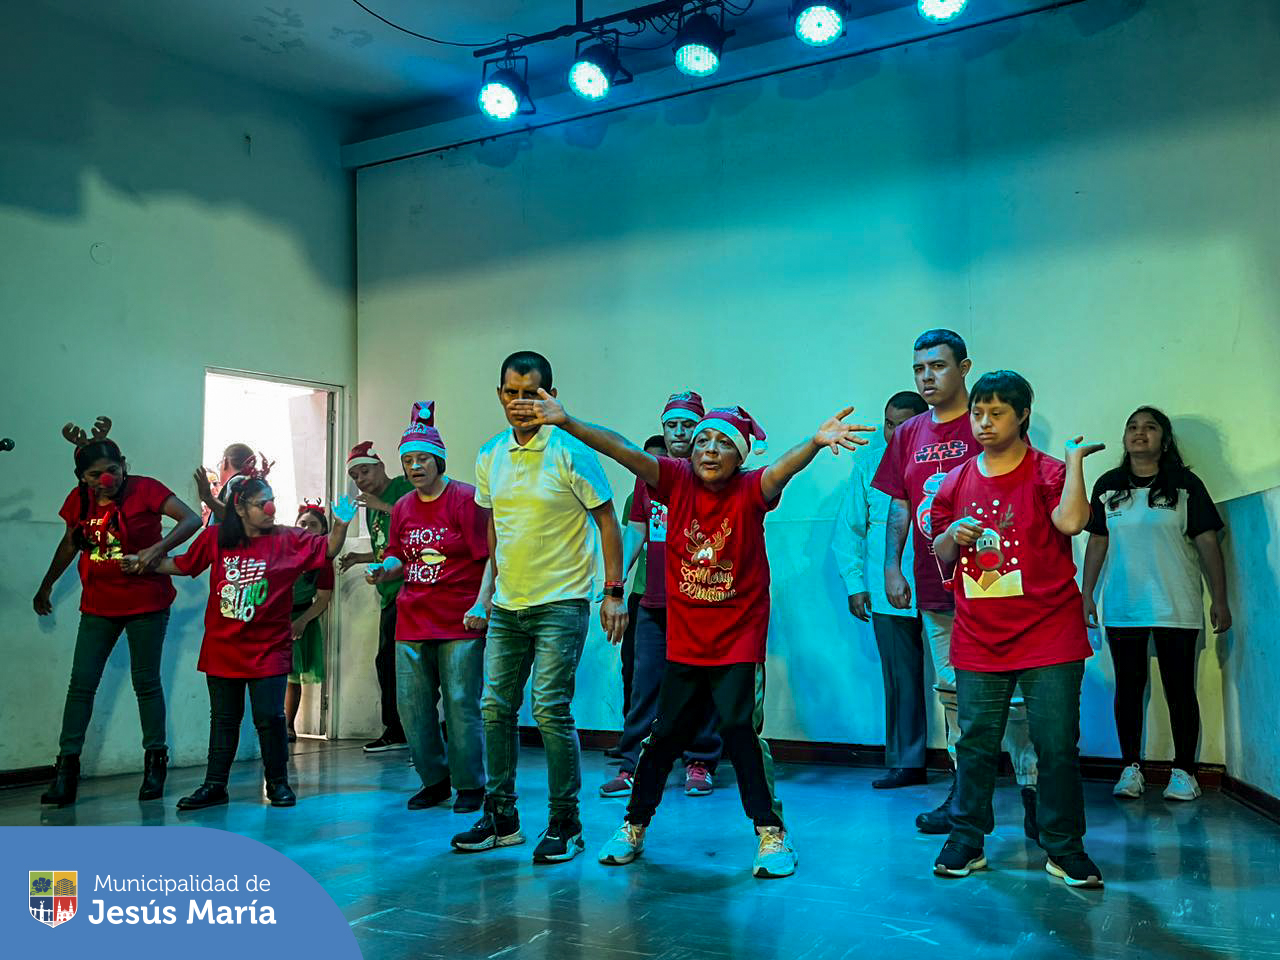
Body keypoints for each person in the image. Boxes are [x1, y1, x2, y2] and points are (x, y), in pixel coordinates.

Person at [508, 390, 873, 878]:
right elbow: (622, 449)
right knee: (662, 739)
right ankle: (634, 826)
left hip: (737, 640)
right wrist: (569, 421)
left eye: (723, 444)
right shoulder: (674, 480)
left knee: (740, 734)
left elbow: (781, 470)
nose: (708, 450)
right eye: (703, 440)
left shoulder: (748, 491)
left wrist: (813, 441)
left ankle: (771, 833)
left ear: (738, 456)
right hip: (686, 640)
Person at [929, 370, 1105, 888]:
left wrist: (1073, 464)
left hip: (1050, 633)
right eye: (978, 413)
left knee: (1055, 745)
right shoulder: (958, 479)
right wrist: (950, 536)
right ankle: (966, 840)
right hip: (980, 634)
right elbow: (940, 550)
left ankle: (1064, 847)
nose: (983, 423)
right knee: (976, 742)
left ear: (1022, 414)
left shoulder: (1048, 471)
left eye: (996, 413)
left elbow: (1072, 523)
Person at [450, 351, 627, 865]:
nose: (522, 403)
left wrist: (612, 592)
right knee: (494, 708)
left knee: (550, 710)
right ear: (499, 393)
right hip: (508, 606)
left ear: (549, 393)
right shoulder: (490, 455)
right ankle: (501, 817)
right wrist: (488, 593)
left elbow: (608, 523)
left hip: (562, 602)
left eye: (532, 393)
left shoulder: (571, 450)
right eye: (512, 392)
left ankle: (565, 824)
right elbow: (494, 527)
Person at [872, 329, 1038, 835]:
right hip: (935, 584)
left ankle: (1034, 791)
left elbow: (1023, 492)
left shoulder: (987, 424)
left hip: (995, 585)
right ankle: (967, 795)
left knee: (1009, 694)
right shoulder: (907, 433)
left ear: (964, 369)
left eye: (938, 366)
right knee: (951, 690)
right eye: (919, 368)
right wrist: (892, 567)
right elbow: (900, 503)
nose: (927, 376)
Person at [137, 478, 354, 809]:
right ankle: (214, 785)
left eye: (271, 499)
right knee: (224, 718)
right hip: (223, 648)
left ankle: (278, 783)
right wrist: (142, 563)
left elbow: (329, 548)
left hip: (269, 648)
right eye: (260, 503)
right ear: (239, 508)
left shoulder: (289, 538)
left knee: (269, 717)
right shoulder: (216, 537)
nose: (270, 508)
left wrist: (340, 524)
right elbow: (183, 565)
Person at [34, 417, 201, 806]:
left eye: (113, 470)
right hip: (98, 603)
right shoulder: (78, 500)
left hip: (147, 601)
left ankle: (155, 763)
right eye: (95, 474)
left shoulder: (146, 489)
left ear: (124, 465)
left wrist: (155, 551)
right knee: (81, 685)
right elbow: (69, 545)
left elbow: (191, 519)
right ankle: (66, 770)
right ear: (82, 476)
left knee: (146, 683)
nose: (105, 479)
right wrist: (47, 584)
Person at [1081, 406, 1231, 802]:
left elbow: (1208, 543)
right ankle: (1130, 768)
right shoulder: (1108, 485)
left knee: (1180, 689)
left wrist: (1220, 598)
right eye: (1132, 427)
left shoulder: (1184, 484)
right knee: (1128, 689)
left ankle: (1184, 772)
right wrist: (1086, 595)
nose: (1139, 434)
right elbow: (1097, 542)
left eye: (1150, 428)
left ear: (1164, 441)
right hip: (1125, 604)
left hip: (1175, 604)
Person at [366, 401, 493, 814]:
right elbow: (398, 554)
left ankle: (471, 783)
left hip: (459, 620)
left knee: (460, 702)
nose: (415, 467)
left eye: (422, 459)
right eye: (408, 461)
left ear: (438, 461)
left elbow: (491, 556)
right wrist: (383, 569)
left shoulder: (466, 500)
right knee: (413, 706)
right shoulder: (403, 507)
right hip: (412, 618)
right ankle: (434, 780)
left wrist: (482, 605)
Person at [600, 392, 723, 800]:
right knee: (644, 683)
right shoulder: (649, 476)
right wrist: (614, 585)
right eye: (672, 425)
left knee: (701, 686)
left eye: (688, 425)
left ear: (702, 429)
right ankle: (633, 763)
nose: (680, 433)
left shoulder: (712, 472)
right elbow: (636, 531)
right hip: (654, 601)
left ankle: (700, 760)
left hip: (701, 603)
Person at [832, 390, 930, 789]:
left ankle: (967, 766)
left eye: (903, 424)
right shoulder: (867, 464)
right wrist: (856, 585)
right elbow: (849, 529)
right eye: (889, 423)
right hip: (885, 585)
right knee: (900, 677)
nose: (894, 431)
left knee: (959, 679)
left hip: (945, 586)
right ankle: (907, 762)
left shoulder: (941, 460)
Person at [338, 440, 414, 753]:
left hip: (412, 590)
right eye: (355, 476)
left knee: (409, 664)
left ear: (381, 465)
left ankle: (412, 733)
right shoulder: (372, 504)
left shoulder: (402, 488)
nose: (361, 480)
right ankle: (396, 730)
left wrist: (379, 505)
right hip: (389, 592)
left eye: (365, 471)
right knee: (386, 662)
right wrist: (361, 558)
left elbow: (419, 520)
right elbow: (389, 546)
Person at [607, 433, 669, 760]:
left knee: (680, 676)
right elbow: (632, 539)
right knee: (634, 670)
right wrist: (614, 585)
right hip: (643, 596)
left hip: (681, 597)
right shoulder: (637, 497)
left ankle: (684, 750)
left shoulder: (682, 485)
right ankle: (632, 744)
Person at [286, 501, 335, 742]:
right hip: (276, 618)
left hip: (301, 618)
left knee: (293, 676)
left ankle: (287, 725)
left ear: (323, 532)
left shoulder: (323, 562)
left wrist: (302, 622)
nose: (306, 528)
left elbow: (323, 598)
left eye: (313, 525)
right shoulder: (283, 550)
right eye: (302, 523)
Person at [194, 443, 260, 524]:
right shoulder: (251, 483)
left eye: (220, 464)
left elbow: (237, 517)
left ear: (225, 462)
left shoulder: (236, 482)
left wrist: (208, 498)